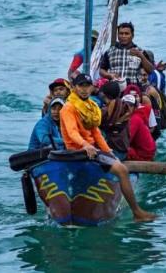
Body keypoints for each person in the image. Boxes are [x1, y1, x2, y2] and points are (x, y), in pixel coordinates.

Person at [60, 73, 156, 222]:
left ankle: (136, 212)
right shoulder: (69, 108)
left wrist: (108, 151)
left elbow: (96, 132)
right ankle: (137, 212)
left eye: (87, 86)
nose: (84, 90)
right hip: (76, 151)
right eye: (81, 86)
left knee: (120, 168)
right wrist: (85, 145)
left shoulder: (90, 106)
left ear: (92, 88)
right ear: (74, 88)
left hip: (92, 150)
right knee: (122, 170)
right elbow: (72, 132)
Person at [122, 94, 156, 161]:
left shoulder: (134, 119)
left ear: (135, 108)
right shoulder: (133, 117)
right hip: (148, 152)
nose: (127, 107)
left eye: (130, 105)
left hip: (143, 155)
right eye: (125, 104)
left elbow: (126, 141)